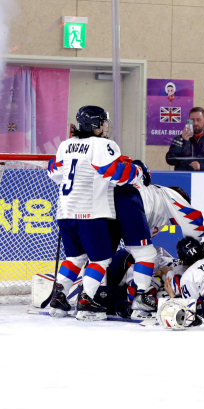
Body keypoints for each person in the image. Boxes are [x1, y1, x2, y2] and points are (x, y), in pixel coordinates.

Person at [46, 105, 144, 321]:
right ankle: (86, 301)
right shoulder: (103, 144)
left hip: (64, 212)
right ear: (96, 125)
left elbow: (53, 170)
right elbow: (115, 173)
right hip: (89, 213)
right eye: (104, 122)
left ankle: (59, 298)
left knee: (75, 257)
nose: (106, 126)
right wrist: (137, 171)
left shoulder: (66, 144)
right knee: (101, 259)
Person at [111, 179, 204, 318]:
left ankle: (87, 295)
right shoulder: (174, 197)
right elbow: (195, 220)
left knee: (101, 257)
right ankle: (138, 304)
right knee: (146, 256)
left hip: (112, 204)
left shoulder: (158, 202)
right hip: (129, 205)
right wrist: (196, 251)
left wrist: (160, 276)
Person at [165, 107, 204, 171]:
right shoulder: (179, 139)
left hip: (203, 180)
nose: (195, 123)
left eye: (198, 120)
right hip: (183, 179)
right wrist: (185, 142)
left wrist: (201, 166)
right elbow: (170, 160)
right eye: (192, 120)